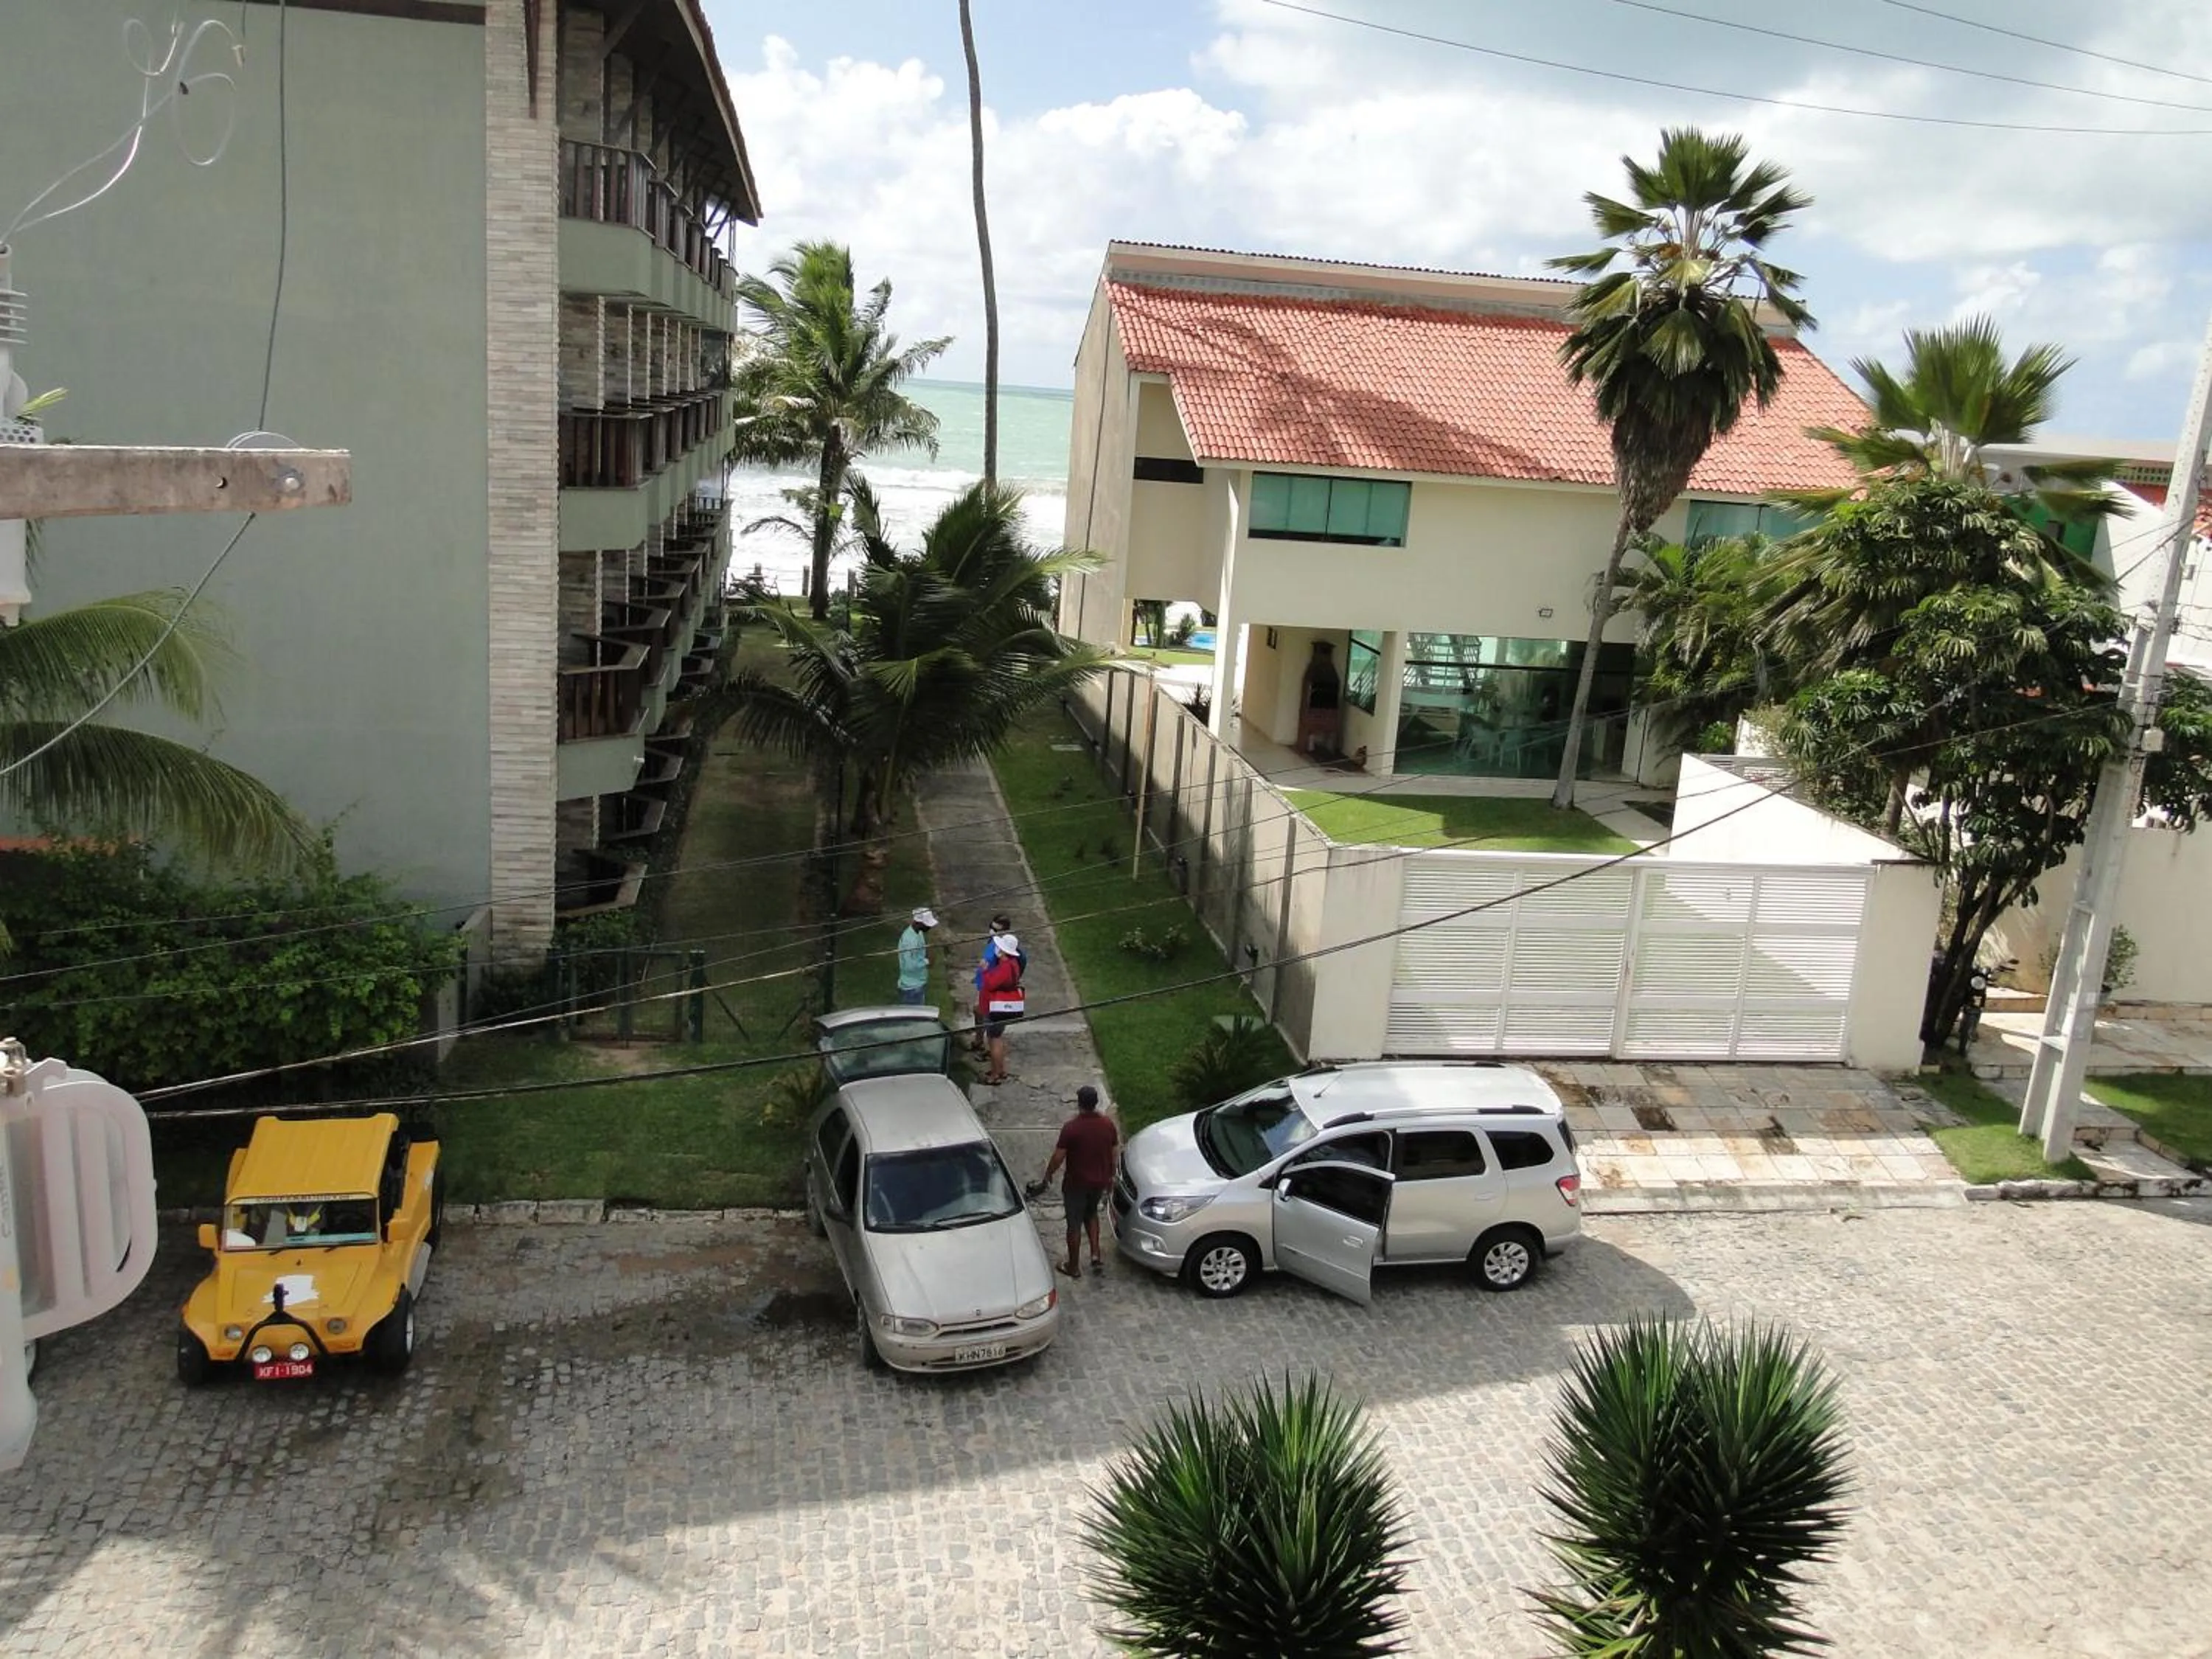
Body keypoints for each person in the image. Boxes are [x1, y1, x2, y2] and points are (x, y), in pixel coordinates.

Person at [1028, 1085, 1119, 1278]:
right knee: (1091, 1214)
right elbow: (1114, 1152)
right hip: (1099, 1182)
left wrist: (1048, 1174)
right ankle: (1095, 1255)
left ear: (1079, 1103)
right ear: (1095, 1103)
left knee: (1074, 1224)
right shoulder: (1107, 1125)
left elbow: (1058, 1157)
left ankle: (1073, 1267)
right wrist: (1111, 1176)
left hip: (1076, 1184)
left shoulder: (1072, 1128)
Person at [968, 914, 1028, 1054]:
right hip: (985, 986)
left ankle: (988, 1048)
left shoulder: (1005, 952)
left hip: (993, 991)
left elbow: (1003, 973)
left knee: (992, 1026)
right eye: (991, 927)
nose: (992, 931)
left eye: (996, 930)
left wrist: (985, 974)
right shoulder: (993, 943)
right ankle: (980, 1040)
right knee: (978, 1012)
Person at [976, 933, 1024, 1085]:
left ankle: (995, 1074)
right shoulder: (1013, 964)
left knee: (994, 1040)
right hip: (1003, 1007)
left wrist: (985, 970)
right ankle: (1000, 1069)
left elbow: (991, 984)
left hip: (996, 1008)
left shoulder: (1005, 967)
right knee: (998, 1038)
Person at [896, 907, 937, 1005]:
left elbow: (920, 951)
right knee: (913, 1013)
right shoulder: (909, 941)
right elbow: (909, 966)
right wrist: (928, 962)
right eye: (927, 924)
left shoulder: (919, 932)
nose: (929, 927)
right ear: (918, 923)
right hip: (911, 988)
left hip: (918, 983)